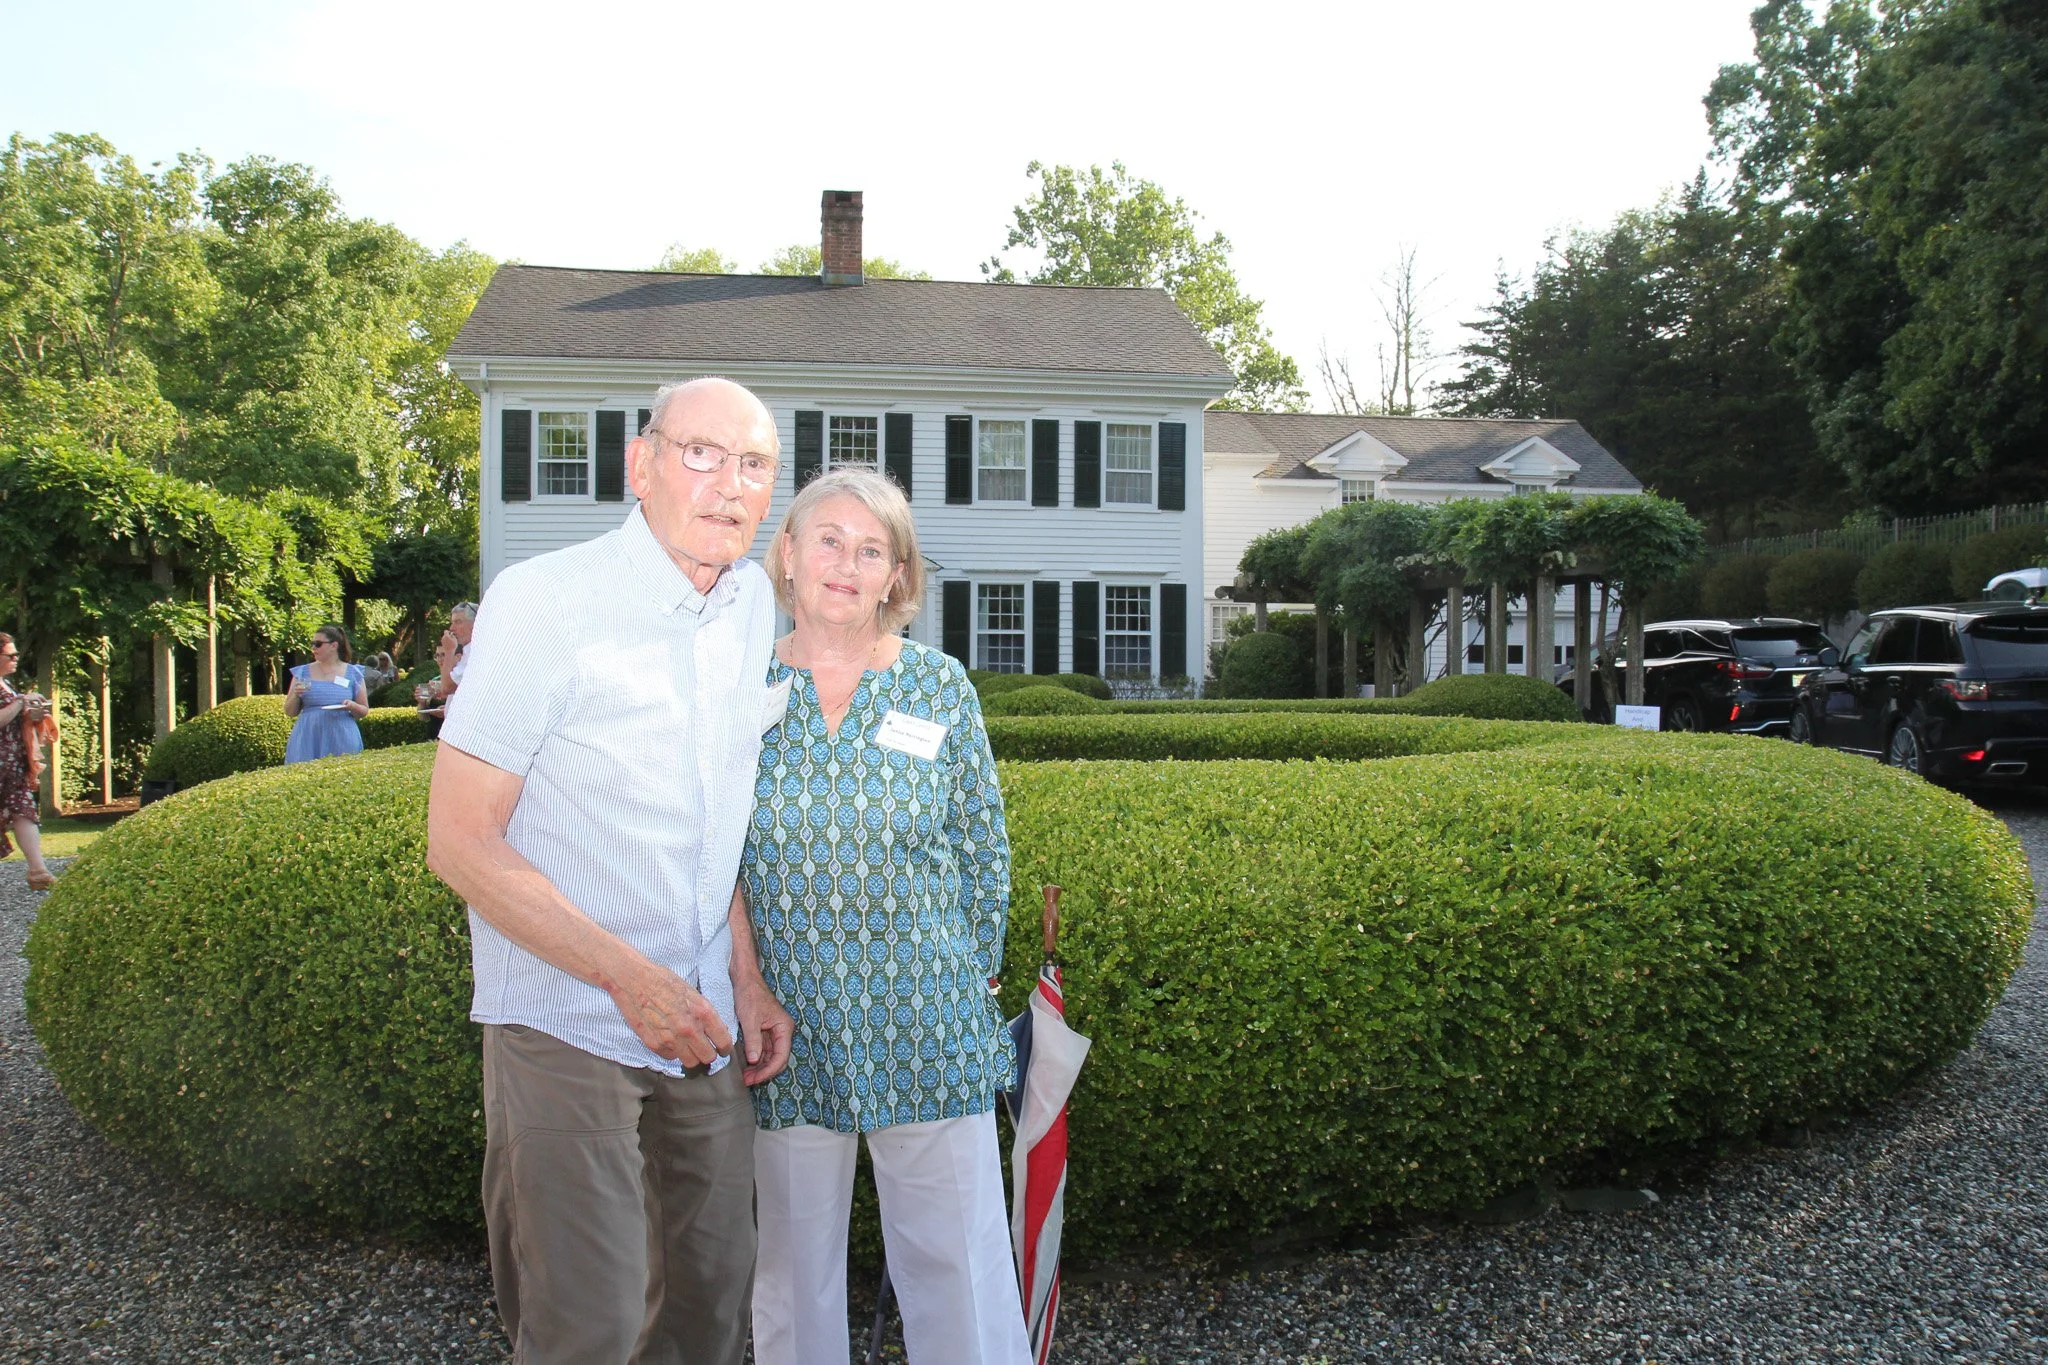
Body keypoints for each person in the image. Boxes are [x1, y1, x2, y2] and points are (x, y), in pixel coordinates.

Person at [426, 377, 795, 1365]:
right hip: (567, 1021)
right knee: (588, 1325)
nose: (727, 485)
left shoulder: (750, 603)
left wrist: (746, 980)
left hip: (702, 1024)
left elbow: (713, 819)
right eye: (699, 454)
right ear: (640, 465)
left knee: (711, 1309)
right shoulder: (545, 604)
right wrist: (629, 980)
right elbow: (458, 841)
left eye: (753, 464)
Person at [742, 467, 1031, 1365]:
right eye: (827, 538)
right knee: (793, 1273)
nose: (846, 562)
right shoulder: (734, 688)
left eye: (873, 549)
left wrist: (963, 983)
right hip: (782, 1026)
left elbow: (984, 852)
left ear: (897, 576)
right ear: (786, 555)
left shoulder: (940, 689)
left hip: (927, 1022)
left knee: (961, 1265)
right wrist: (743, 979)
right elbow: (705, 854)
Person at [0, 634, 57, 891]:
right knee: (20, 810)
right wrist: (21, 701)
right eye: (10, 655)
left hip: (12, 765)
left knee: (24, 811)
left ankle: (38, 871)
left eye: (16, 654)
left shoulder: (6, 686)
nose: (15, 659)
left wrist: (35, 713)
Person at [283, 626, 369, 763]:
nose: (313, 648)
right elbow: (289, 712)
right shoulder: (302, 673)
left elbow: (364, 710)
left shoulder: (354, 673)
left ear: (333, 646)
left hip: (342, 734)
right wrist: (295, 695)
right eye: (312, 644)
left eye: (318, 644)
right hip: (308, 735)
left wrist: (352, 706)